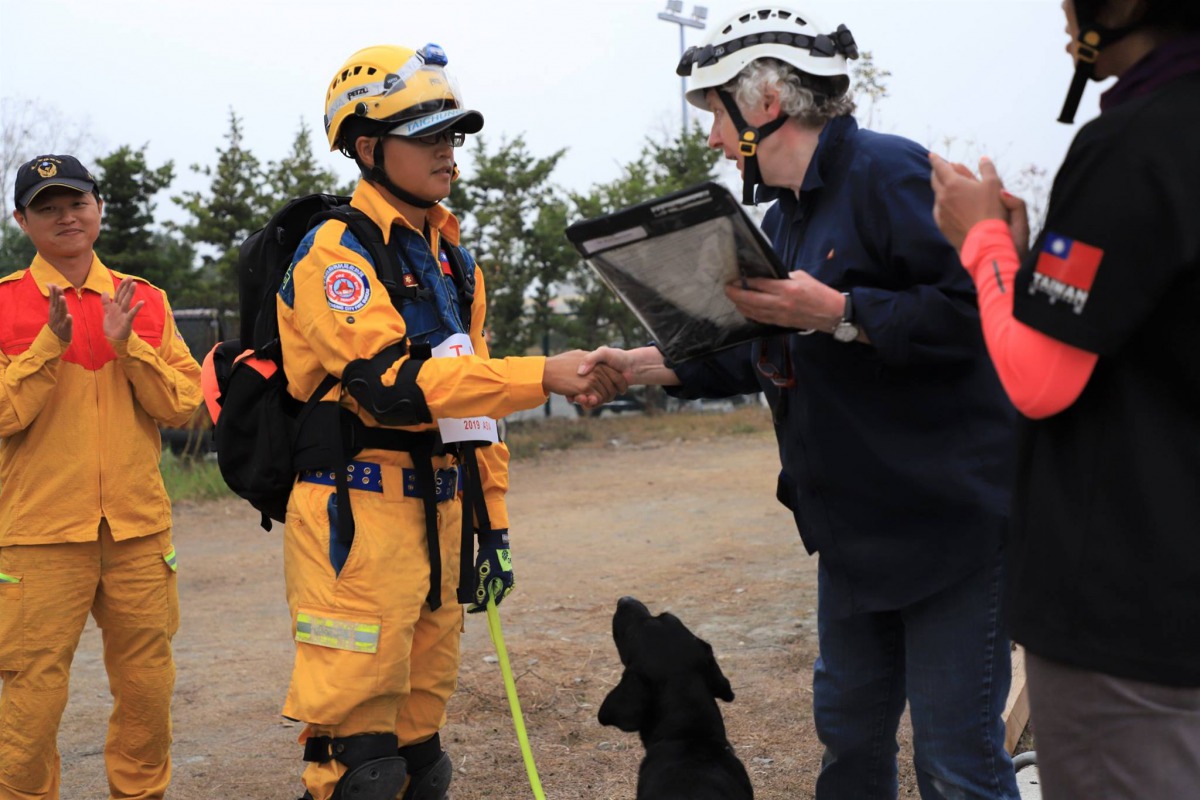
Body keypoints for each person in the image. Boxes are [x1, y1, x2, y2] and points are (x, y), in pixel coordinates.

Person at [579, 7, 1021, 798]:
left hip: (947, 531)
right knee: (850, 753)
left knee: (955, 764)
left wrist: (842, 311)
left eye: (716, 113)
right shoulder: (782, 220)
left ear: (767, 100)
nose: (712, 138)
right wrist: (635, 366)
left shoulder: (892, 176)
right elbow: (760, 348)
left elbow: (983, 317)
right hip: (850, 539)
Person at [282, 43, 624, 800]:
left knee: (420, 757)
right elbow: (392, 388)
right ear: (368, 146)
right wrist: (542, 375)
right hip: (355, 517)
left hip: (442, 513)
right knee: (359, 762)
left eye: (452, 133)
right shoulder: (335, 253)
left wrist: (491, 525)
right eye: (426, 133)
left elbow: (473, 408)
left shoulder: (454, 261)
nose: (447, 149)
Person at [929, 2, 1200, 797]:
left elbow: (1040, 381)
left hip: (1130, 611)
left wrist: (979, 241)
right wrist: (1020, 264)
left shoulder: (1137, 140)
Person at [0, 154, 203, 799]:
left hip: (137, 530)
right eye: (47, 207)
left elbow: (182, 403)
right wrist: (46, 349)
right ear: (22, 220)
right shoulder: (5, 304)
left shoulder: (144, 300)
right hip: (37, 535)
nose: (66, 216)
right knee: (30, 697)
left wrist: (129, 345)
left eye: (77, 201)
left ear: (99, 207)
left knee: (147, 687)